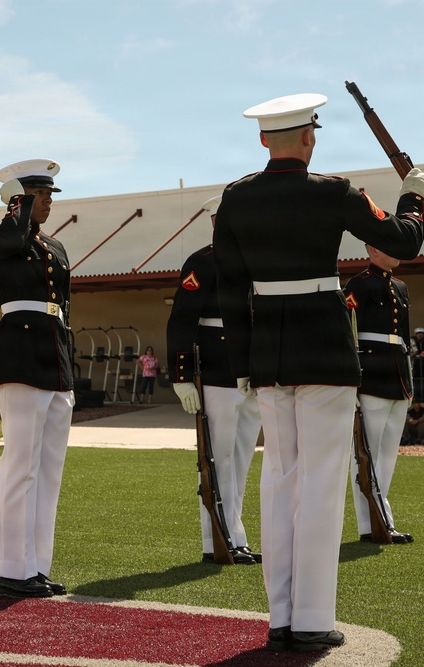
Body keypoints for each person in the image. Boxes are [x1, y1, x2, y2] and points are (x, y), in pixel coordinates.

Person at [213, 93, 424, 653]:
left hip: (267, 355)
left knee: (280, 478)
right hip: (325, 353)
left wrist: (243, 364)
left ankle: (280, 617)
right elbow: (402, 240)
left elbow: (230, 290)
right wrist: (415, 199)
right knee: (322, 481)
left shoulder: (235, 200)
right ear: (309, 138)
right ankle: (311, 618)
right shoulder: (334, 192)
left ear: (264, 140)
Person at [0, 159, 73, 598]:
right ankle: (13, 569)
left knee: (49, 470)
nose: (49, 201)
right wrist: (18, 206)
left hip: (55, 357)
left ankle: (37, 566)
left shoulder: (55, 247)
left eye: (50, 194)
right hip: (20, 354)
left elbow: (65, 308)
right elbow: (10, 239)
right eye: (40, 194)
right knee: (21, 466)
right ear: (18, 197)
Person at [167, 194, 262, 565]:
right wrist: (181, 377)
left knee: (241, 459)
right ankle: (217, 541)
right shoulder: (202, 263)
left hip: (251, 370)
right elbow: (181, 321)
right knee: (218, 459)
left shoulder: (256, 262)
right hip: (217, 369)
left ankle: (234, 535)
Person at [343, 245, 414, 544]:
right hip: (370, 374)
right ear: (372, 250)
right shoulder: (358, 284)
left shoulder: (400, 286)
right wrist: (352, 380)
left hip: (398, 374)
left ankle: (381, 517)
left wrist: (410, 381)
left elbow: (405, 337)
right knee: (365, 454)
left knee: (387, 455)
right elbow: (346, 333)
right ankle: (370, 524)